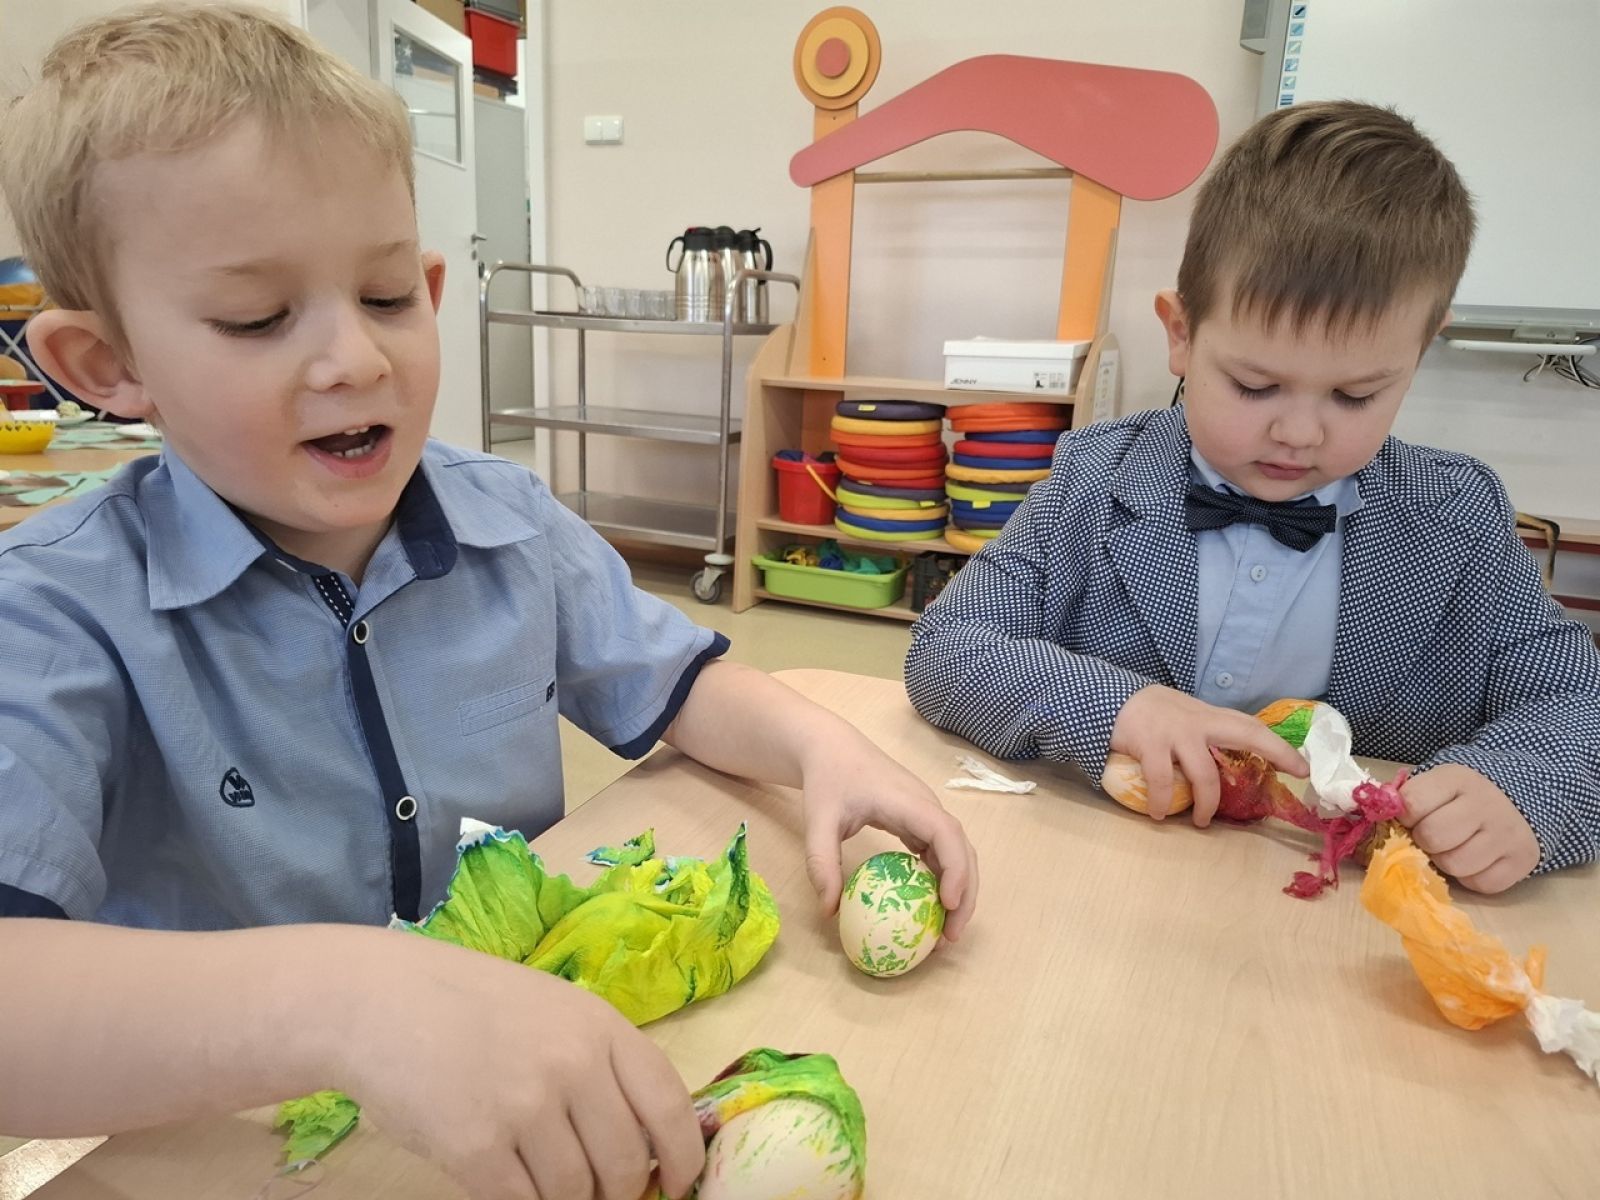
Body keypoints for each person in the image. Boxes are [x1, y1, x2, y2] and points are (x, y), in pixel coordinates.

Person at [0, 7, 977, 1199]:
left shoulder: (509, 522)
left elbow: (679, 684)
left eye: (385, 297)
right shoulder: (53, 613)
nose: (357, 360)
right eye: (258, 319)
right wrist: (348, 1007)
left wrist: (821, 750)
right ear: (107, 367)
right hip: (243, 1149)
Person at [907, 99, 1599, 898]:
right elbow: (947, 646)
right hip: (1109, 887)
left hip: (1345, 926)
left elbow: (1573, 702)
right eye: (1255, 385)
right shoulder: (1094, 477)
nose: (1299, 432)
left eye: (1356, 396)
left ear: (1422, 347)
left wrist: (1524, 789)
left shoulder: (1459, 517)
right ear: (1181, 333)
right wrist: (1118, 707)